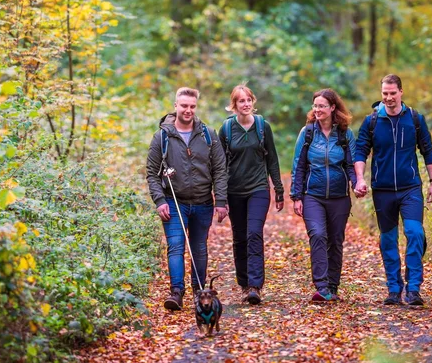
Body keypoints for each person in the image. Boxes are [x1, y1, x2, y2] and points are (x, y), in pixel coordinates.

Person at [353, 74, 432, 306]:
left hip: (410, 188)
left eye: (392, 93)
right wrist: (360, 179)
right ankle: (393, 288)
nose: (389, 98)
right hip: (382, 190)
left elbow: (427, 150)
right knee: (388, 240)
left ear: (401, 92)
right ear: (381, 94)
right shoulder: (371, 122)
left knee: (415, 233)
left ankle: (413, 288)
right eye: (385, 94)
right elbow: (360, 151)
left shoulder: (415, 119)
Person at [146, 87, 229, 311]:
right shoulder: (162, 137)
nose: (188, 110)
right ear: (176, 106)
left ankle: (198, 290)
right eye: (184, 106)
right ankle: (176, 293)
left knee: (199, 247)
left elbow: (220, 170)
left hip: (203, 201)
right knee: (175, 246)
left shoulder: (208, 135)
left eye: (192, 106)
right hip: (174, 200)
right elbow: (152, 173)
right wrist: (159, 200)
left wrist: (221, 200)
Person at [219, 85, 285, 305]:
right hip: (234, 191)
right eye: (241, 101)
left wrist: (278, 189)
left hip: (258, 189)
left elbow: (272, 160)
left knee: (254, 233)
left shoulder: (262, 127)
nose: (245, 104)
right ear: (234, 105)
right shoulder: (227, 129)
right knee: (239, 238)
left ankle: (255, 286)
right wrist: (219, 197)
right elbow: (219, 165)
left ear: (253, 102)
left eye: (248, 100)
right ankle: (244, 284)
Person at [290, 88, 357, 303]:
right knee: (318, 235)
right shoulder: (307, 133)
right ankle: (322, 286)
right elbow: (298, 165)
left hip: (339, 197)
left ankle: (333, 286)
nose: (317, 110)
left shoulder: (345, 134)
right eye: (315, 106)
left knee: (336, 241)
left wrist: (357, 184)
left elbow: (351, 165)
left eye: (322, 106)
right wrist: (296, 196)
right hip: (313, 196)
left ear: (333, 108)